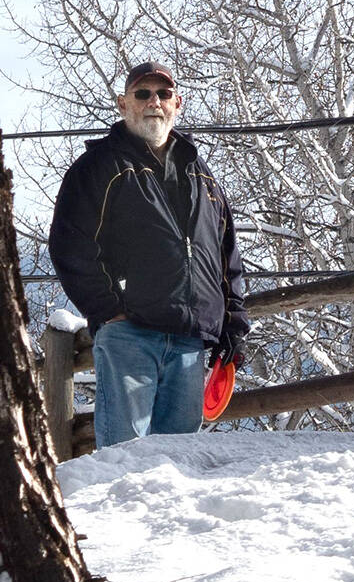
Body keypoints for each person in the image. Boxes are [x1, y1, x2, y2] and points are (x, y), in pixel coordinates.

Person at [49, 61, 250, 448]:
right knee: (126, 456)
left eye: (163, 94)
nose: (153, 102)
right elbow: (69, 243)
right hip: (130, 334)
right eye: (143, 94)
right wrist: (109, 308)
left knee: (177, 464)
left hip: (191, 340)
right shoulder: (98, 167)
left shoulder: (201, 174)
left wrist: (233, 324)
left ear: (178, 104)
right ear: (124, 105)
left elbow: (227, 256)